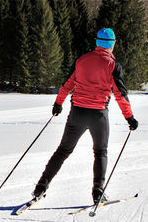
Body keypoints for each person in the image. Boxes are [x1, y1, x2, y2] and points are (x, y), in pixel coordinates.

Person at [32, 27, 138, 205]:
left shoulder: (82, 60)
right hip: (98, 115)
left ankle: (41, 187)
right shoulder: (113, 65)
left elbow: (67, 84)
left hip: (77, 113)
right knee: (100, 152)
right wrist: (129, 117)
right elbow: (120, 94)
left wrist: (58, 104)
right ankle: (98, 192)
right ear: (112, 45)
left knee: (63, 151)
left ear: (97, 42)